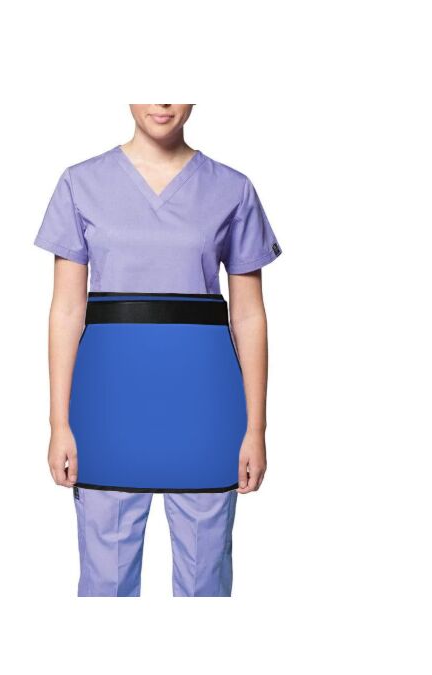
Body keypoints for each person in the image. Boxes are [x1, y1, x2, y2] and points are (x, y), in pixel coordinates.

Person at [34, 104, 282, 597]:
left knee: (204, 584)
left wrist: (256, 429)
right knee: (105, 585)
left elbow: (249, 316)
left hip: (205, 411)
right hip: (107, 409)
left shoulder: (232, 189)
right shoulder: (80, 184)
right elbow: (66, 311)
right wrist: (59, 423)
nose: (162, 102)